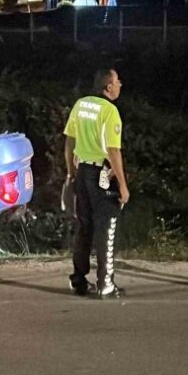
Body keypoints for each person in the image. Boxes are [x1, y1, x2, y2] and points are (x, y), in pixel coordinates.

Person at [63, 69, 130, 299]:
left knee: (84, 227)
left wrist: (71, 174)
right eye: (117, 81)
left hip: (82, 172)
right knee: (106, 228)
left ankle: (79, 280)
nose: (120, 84)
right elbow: (113, 151)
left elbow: (69, 142)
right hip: (102, 175)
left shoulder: (80, 105)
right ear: (108, 87)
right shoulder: (110, 111)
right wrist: (122, 184)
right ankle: (106, 283)